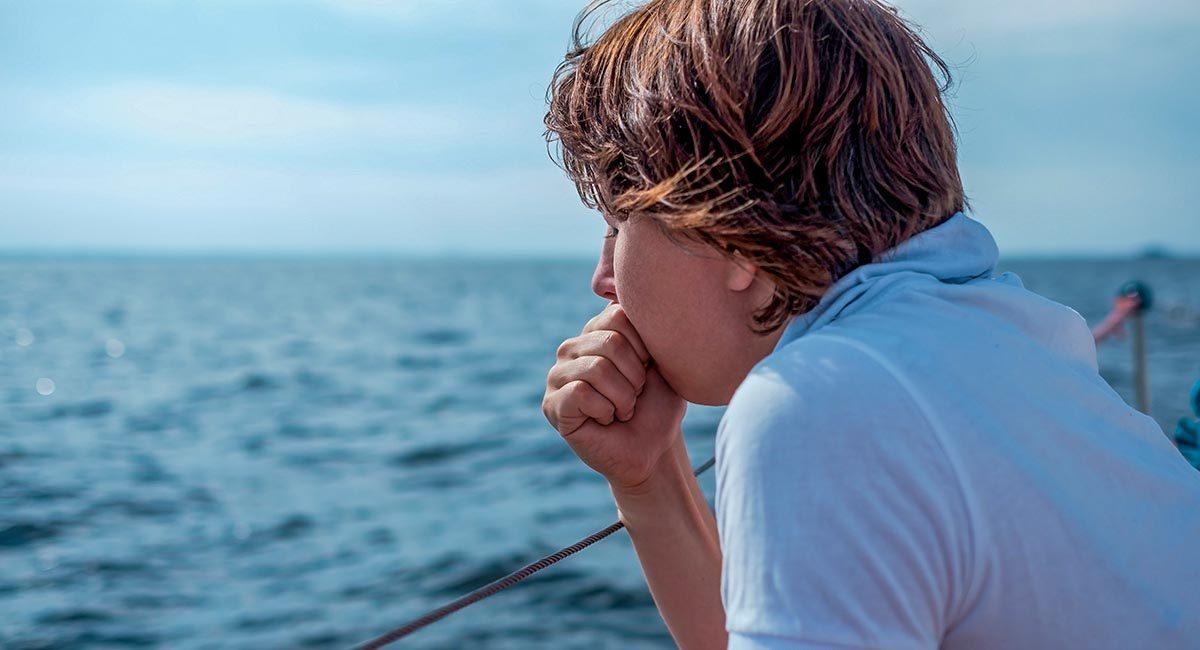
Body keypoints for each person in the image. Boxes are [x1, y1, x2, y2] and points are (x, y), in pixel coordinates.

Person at [539, 0, 1200, 648]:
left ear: (722, 231)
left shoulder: (823, 405)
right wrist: (649, 478)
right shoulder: (1024, 335)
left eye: (617, 225)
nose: (603, 279)